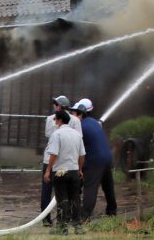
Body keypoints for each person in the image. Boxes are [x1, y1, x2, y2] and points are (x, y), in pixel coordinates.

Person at [71, 99, 117, 220]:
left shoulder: (80, 127)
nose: (72, 115)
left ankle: (84, 217)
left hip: (94, 161)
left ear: (80, 114)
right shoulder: (94, 122)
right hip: (107, 158)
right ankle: (112, 211)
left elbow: (77, 148)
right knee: (108, 187)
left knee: (90, 188)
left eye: (74, 113)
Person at [41, 95, 81, 226]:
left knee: (49, 190)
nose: (53, 106)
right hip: (66, 160)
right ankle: (67, 218)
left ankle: (47, 220)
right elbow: (79, 138)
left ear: (59, 106)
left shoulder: (51, 119)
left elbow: (48, 134)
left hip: (51, 159)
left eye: (55, 104)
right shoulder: (75, 120)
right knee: (67, 191)